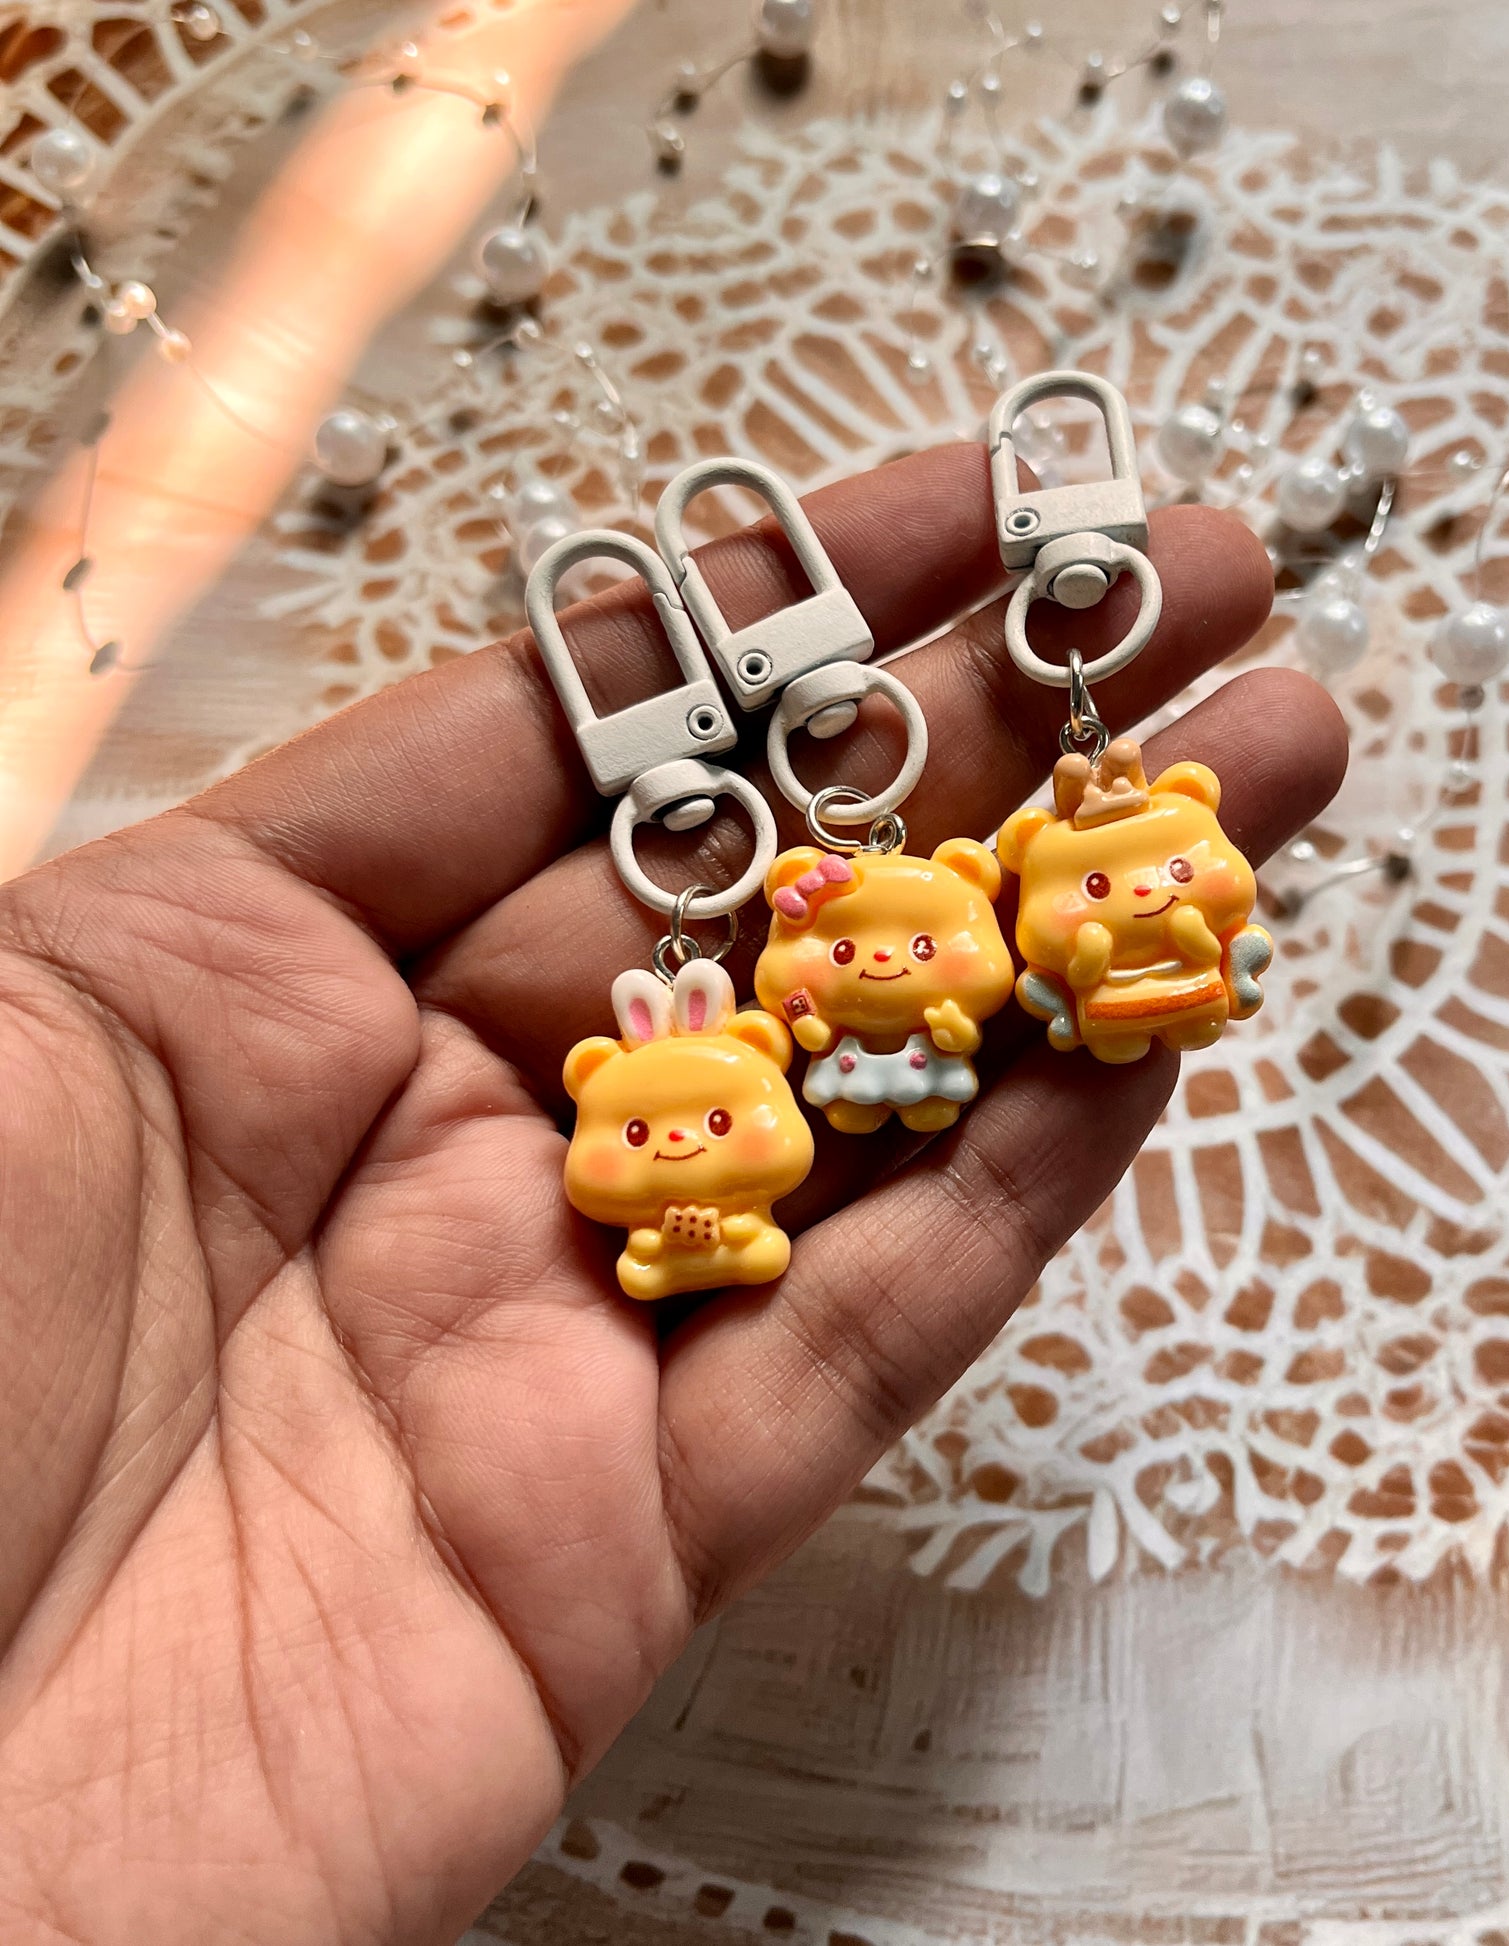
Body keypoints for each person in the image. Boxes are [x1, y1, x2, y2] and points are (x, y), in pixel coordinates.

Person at [0, 444, 1344, 1943]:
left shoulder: (1003, 932)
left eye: (921, 944)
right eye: (656, 1130)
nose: (890, 962)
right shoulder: (719, 1050)